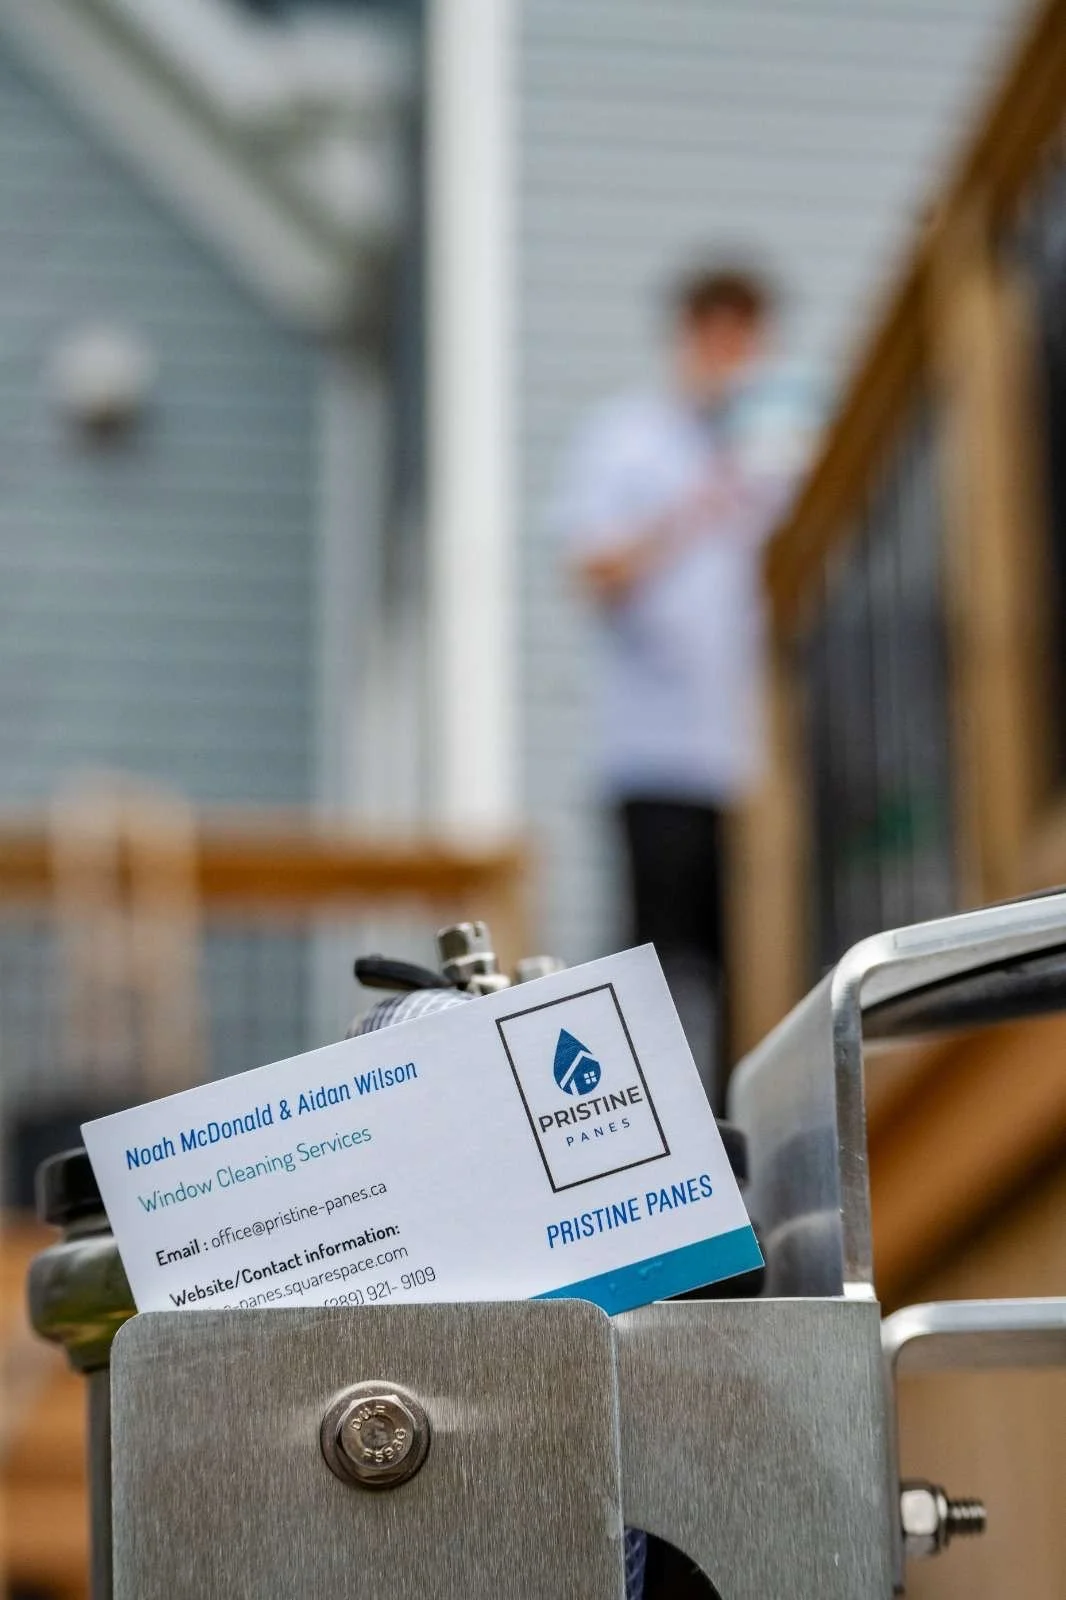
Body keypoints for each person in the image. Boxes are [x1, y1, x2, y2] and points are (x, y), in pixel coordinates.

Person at [555, 264, 813, 1109]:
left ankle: (747, 1142)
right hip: (657, 755)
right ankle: (655, 1141)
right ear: (690, 337)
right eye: (720, 335)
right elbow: (593, 569)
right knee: (655, 967)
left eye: (748, 338)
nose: (734, 356)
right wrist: (691, 510)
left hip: (759, 764)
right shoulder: (626, 438)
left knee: (759, 962)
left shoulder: (785, 452)